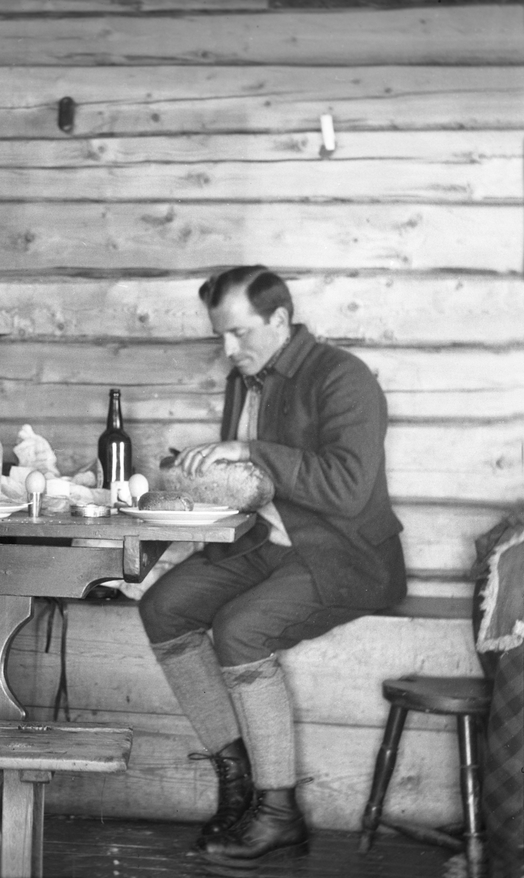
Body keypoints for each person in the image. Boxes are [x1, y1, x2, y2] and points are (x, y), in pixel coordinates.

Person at [137, 265, 406, 869]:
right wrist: (194, 472)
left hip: (343, 555)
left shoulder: (343, 377)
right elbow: (253, 482)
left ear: (280, 320)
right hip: (268, 542)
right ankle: (238, 781)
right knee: (163, 607)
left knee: (240, 629)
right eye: (220, 337)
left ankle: (280, 812)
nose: (229, 351)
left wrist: (250, 451)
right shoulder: (248, 376)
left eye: (239, 334)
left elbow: (349, 488)